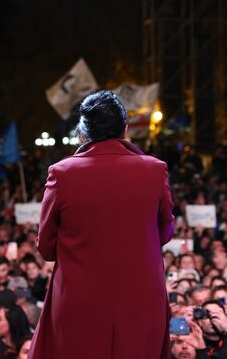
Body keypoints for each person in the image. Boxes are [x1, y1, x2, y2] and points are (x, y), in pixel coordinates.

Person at [28, 91, 175, 359]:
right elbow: (164, 232)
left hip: (79, 303)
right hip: (141, 300)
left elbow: (46, 248)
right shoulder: (155, 170)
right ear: (125, 128)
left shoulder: (62, 173)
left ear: (83, 133)